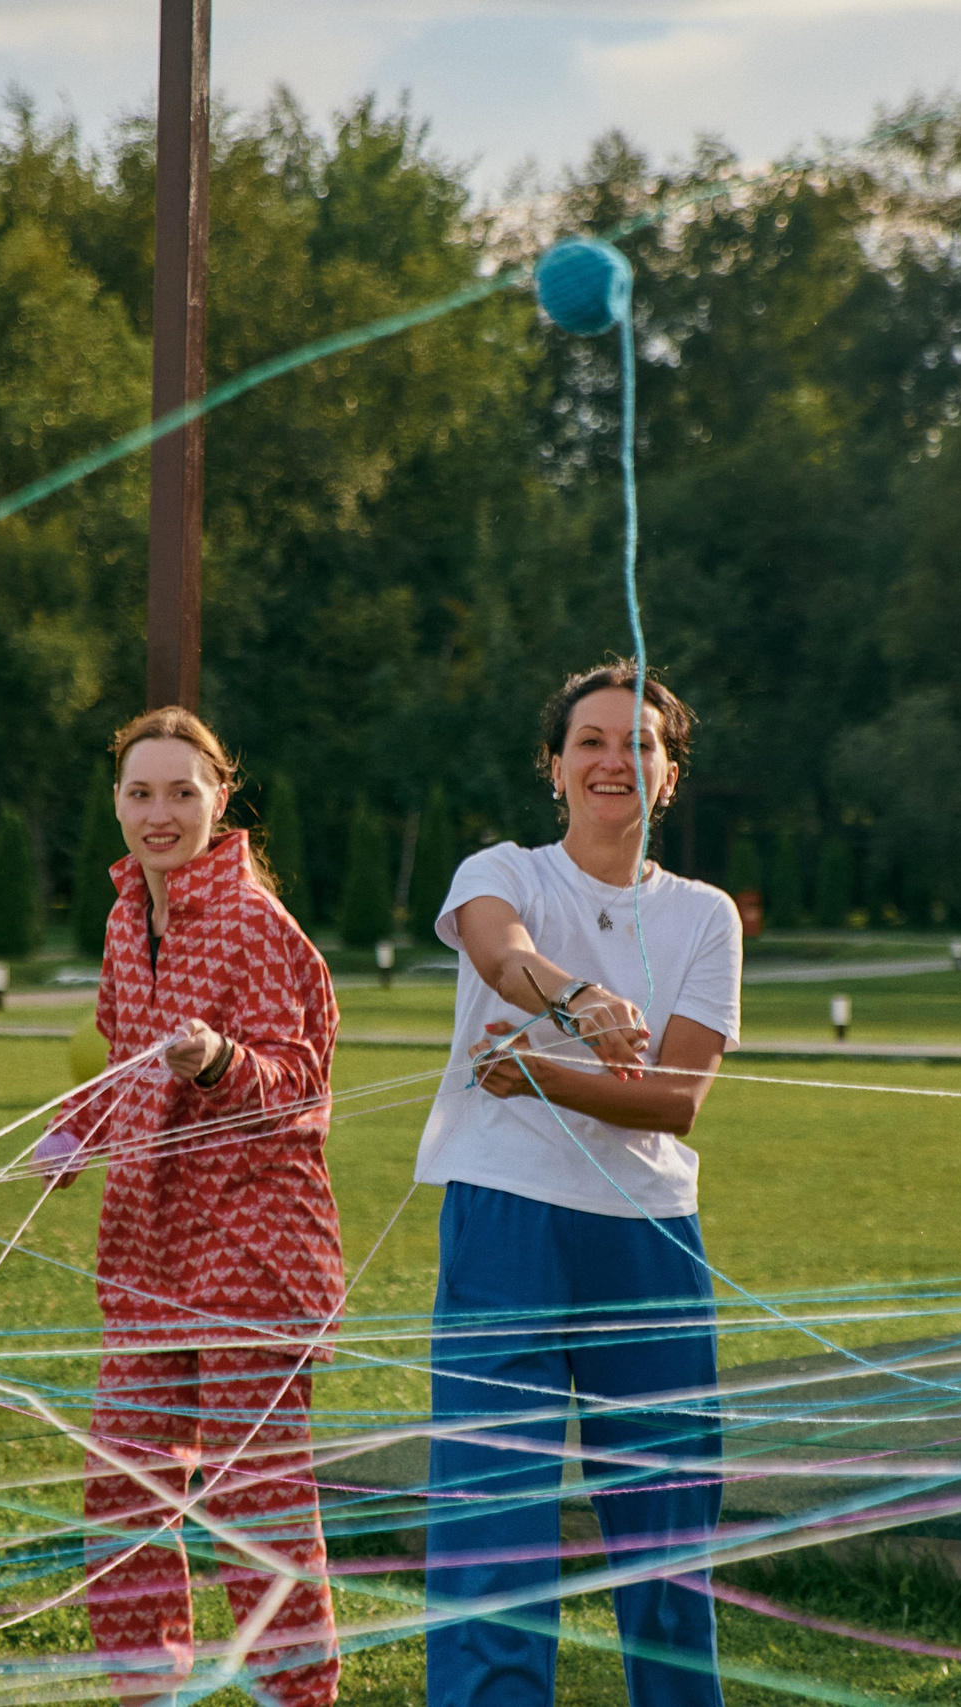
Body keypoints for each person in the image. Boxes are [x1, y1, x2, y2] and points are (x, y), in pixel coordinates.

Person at [416, 660, 741, 1707]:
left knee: (667, 1522)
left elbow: (676, 1100)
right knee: (493, 1510)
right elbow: (500, 953)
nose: (613, 760)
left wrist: (541, 1076)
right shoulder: (499, 870)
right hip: (505, 1217)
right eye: (590, 741)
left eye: (636, 744)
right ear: (553, 768)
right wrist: (576, 1002)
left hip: (649, 1236)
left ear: (669, 775)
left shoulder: (704, 916)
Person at [41, 707, 344, 1706]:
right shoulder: (128, 916)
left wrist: (220, 1062)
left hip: (255, 1245)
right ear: (115, 802)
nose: (159, 812)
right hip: (147, 1246)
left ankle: (294, 1696)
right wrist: (75, 1132)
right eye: (139, 792)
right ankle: (148, 1692)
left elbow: (299, 1084)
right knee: (124, 1493)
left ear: (222, 797)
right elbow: (120, 1049)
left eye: (182, 791)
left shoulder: (259, 925)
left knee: (253, 1504)